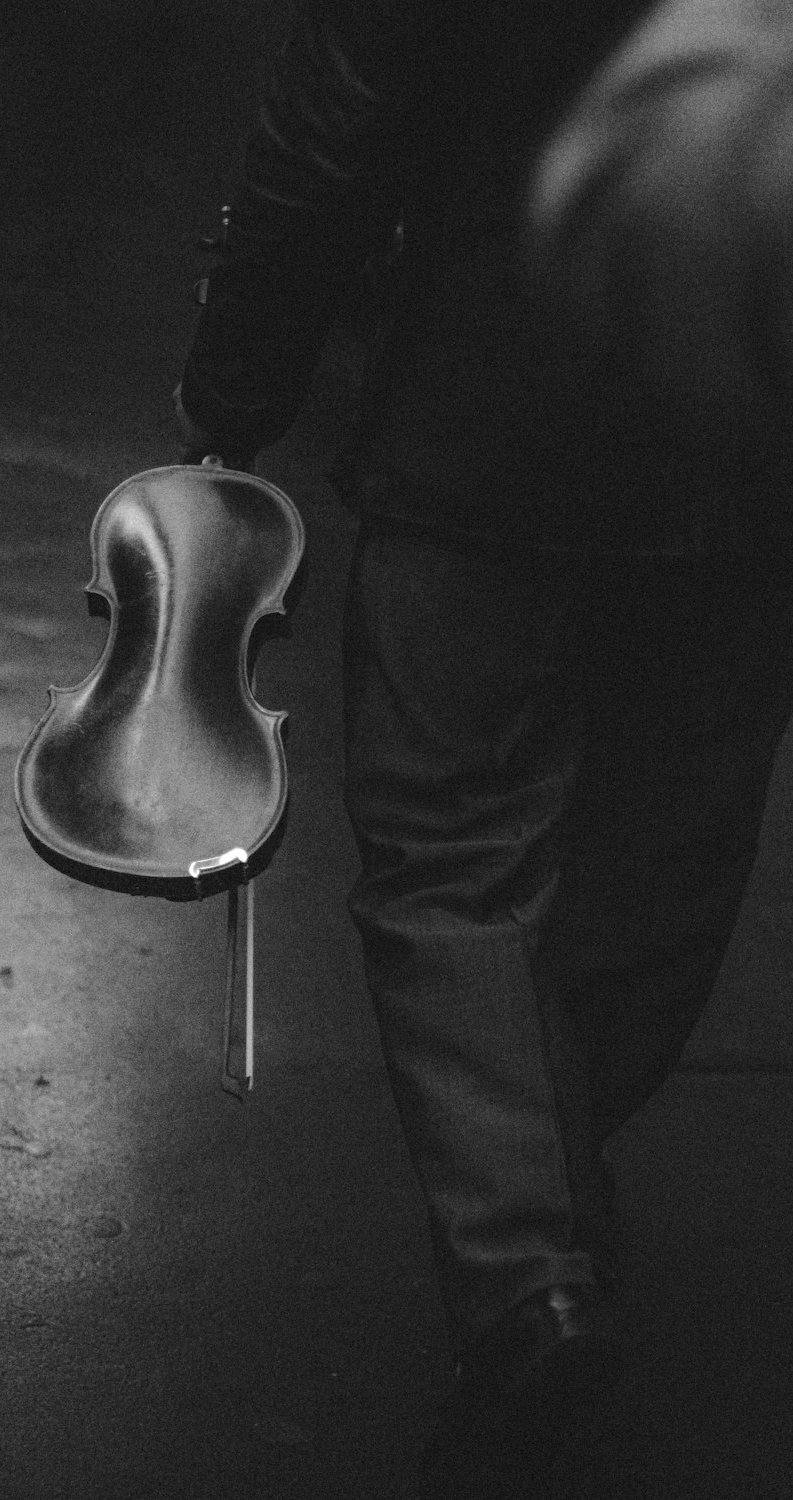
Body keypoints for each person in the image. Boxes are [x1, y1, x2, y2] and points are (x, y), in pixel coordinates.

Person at [174, 0, 793, 1492]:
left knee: (452, 851)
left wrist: (232, 391)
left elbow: (331, 124)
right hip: (749, 440)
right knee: (667, 858)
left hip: (481, 423)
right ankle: (546, 1197)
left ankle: (529, 1269)